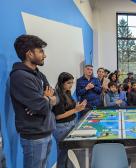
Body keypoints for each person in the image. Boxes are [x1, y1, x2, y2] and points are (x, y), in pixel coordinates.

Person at [10, 35, 57, 168]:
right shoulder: (19, 76)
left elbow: (56, 97)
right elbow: (41, 106)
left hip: (46, 131)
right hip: (34, 136)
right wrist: (46, 100)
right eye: (41, 51)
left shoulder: (39, 74)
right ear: (29, 54)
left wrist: (46, 99)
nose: (45, 55)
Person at [53, 72, 87, 168]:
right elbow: (58, 116)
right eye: (68, 83)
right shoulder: (57, 95)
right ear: (61, 83)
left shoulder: (67, 92)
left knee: (67, 152)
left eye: (72, 83)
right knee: (62, 154)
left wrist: (79, 106)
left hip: (71, 123)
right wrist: (76, 110)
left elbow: (71, 106)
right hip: (61, 127)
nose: (71, 85)